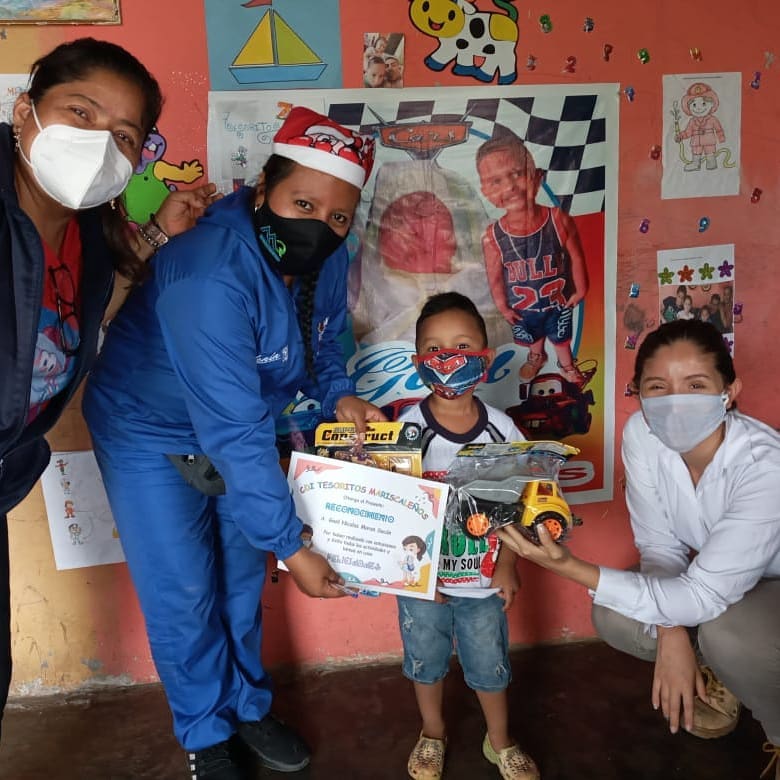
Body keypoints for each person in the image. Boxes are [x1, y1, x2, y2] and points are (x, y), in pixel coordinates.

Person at [83, 107, 385, 780]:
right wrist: (291, 546)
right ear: (262, 190)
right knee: (184, 589)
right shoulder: (209, 271)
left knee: (241, 580)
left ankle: (248, 707)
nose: (320, 225)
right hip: (150, 430)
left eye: (337, 215)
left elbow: (322, 340)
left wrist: (340, 393)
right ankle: (205, 730)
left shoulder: (327, 257)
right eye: (303, 204)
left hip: (238, 424)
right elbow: (234, 431)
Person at [0, 37, 215, 742]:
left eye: (123, 135)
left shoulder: (89, 234)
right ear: (25, 110)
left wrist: (157, 234)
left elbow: (87, 320)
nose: (98, 143)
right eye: (80, 112)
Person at [496, 320, 780, 779]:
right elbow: (659, 545)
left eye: (695, 385)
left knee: (729, 632)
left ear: (729, 392)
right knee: (615, 615)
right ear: (639, 394)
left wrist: (569, 566)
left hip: (771, 589)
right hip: (715, 582)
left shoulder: (764, 466)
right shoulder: (643, 436)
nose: (675, 401)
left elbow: (703, 596)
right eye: (657, 387)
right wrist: (672, 634)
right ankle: (722, 674)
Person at [397, 292, 539, 780]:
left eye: (461, 346)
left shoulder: (502, 430)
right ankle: (432, 732)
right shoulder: (405, 432)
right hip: (425, 585)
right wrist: (417, 578)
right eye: (434, 348)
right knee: (425, 661)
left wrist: (509, 564)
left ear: (485, 356)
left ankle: (499, 740)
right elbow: (395, 511)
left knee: (489, 663)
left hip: (483, 583)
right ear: (417, 361)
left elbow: (520, 502)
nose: (447, 358)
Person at [477, 131, 589, 385]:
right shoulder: (493, 236)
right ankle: (536, 357)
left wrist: (581, 289)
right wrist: (503, 307)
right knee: (534, 337)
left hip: (558, 303)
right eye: (496, 181)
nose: (509, 187)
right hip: (524, 309)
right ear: (485, 191)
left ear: (537, 177)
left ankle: (567, 365)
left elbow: (576, 256)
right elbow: (494, 277)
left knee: (561, 339)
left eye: (517, 174)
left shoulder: (558, 219)